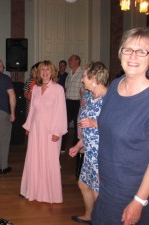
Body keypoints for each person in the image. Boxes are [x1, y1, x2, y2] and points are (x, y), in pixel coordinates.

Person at [92, 27, 149, 225]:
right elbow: (106, 132)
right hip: (107, 185)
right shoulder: (115, 86)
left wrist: (139, 201)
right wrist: (101, 171)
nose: (133, 56)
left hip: (133, 192)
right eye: (128, 49)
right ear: (120, 53)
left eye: (142, 51)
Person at [20, 60, 67, 203]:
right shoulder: (35, 88)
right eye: (42, 70)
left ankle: (49, 194)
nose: (45, 72)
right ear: (39, 72)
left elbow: (61, 112)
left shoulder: (58, 89)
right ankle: (33, 191)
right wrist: (28, 126)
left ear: (52, 72)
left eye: (48, 70)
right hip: (36, 130)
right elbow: (32, 110)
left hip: (51, 130)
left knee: (49, 161)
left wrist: (57, 132)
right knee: (34, 159)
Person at [69, 61, 109, 224]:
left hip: (102, 153)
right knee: (84, 184)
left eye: (84, 76)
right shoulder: (91, 98)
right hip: (89, 151)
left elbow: (118, 125)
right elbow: (87, 127)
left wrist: (95, 123)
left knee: (97, 190)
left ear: (94, 78)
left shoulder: (109, 99)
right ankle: (89, 215)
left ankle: (100, 220)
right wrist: (79, 145)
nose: (82, 80)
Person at [61, 55, 84, 150]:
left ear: (77, 61)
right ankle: (62, 146)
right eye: (69, 59)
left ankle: (76, 146)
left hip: (78, 103)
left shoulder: (83, 73)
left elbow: (84, 90)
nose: (69, 61)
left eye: (71, 60)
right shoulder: (69, 73)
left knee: (76, 126)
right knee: (63, 124)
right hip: (68, 102)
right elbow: (66, 88)